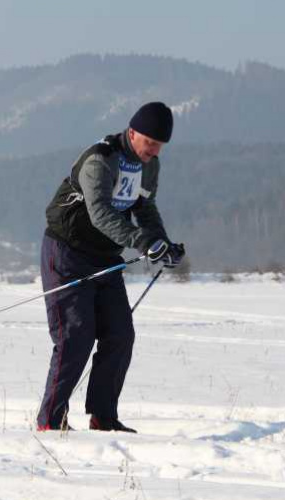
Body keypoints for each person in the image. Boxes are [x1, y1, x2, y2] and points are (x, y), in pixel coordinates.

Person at [37, 102, 185, 433]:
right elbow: (100, 213)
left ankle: (103, 417)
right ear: (131, 133)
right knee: (75, 336)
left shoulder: (150, 166)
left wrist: (162, 243)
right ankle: (50, 421)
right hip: (66, 253)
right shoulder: (100, 160)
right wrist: (143, 243)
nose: (153, 150)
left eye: (160, 145)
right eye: (149, 142)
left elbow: (145, 209)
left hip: (105, 257)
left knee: (120, 334)